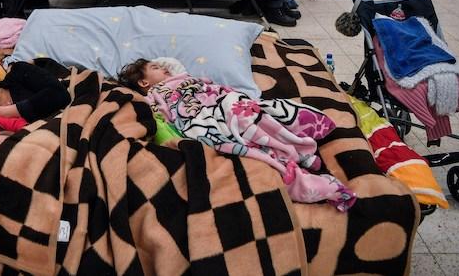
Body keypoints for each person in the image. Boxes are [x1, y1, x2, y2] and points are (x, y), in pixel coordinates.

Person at [117, 59, 357, 211]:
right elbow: (161, 116)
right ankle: (295, 164)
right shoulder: (154, 93)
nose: (165, 68)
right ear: (145, 82)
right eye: (156, 68)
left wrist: (226, 96)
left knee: (246, 110)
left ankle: (299, 148)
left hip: (221, 103)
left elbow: (214, 88)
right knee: (236, 130)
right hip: (200, 119)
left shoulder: (188, 78)